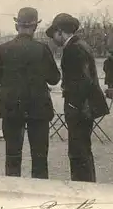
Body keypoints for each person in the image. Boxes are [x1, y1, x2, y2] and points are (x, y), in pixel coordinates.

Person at [0, 7, 61, 179]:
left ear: (17, 26)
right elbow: (54, 79)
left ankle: (12, 195)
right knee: (39, 157)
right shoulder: (42, 49)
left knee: (12, 155)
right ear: (35, 27)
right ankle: (40, 196)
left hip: (11, 107)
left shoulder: (4, 48)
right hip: (38, 108)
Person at [46, 13, 109, 183]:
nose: (53, 39)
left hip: (80, 108)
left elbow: (82, 81)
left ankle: (82, 189)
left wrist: (73, 105)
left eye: (54, 34)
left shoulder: (72, 49)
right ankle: (87, 186)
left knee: (78, 152)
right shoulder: (81, 45)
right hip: (86, 107)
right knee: (83, 151)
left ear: (60, 31)